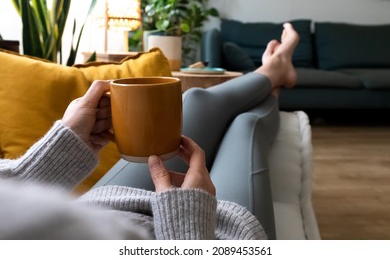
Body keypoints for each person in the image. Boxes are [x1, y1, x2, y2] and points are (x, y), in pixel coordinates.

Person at [0, 23, 299, 240]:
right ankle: (274, 80)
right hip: (193, 234)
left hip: (105, 208)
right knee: (246, 123)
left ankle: (272, 72)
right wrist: (187, 227)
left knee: (194, 99)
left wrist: (59, 152)